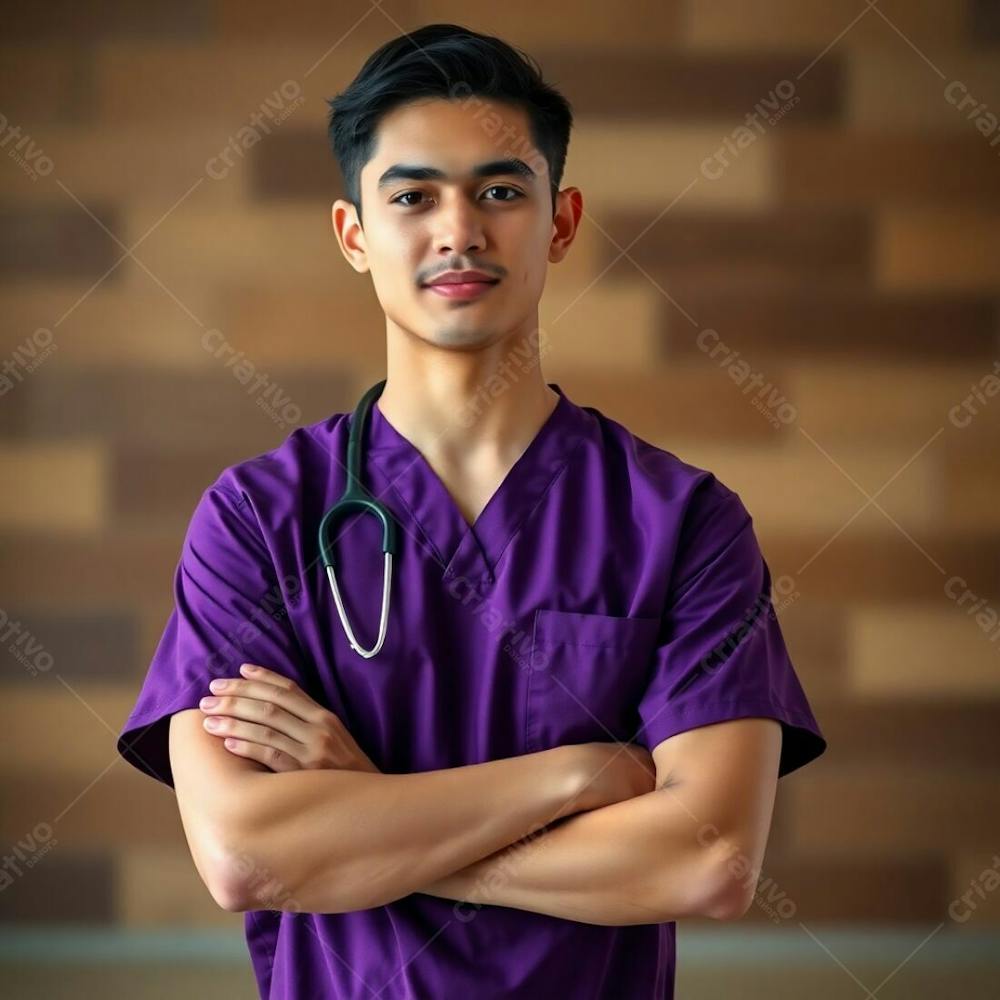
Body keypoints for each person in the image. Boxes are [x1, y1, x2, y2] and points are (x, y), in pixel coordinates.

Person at [117, 22, 827, 1000]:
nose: (459, 229)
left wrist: (367, 821)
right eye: (412, 196)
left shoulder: (684, 522)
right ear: (354, 235)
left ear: (560, 222)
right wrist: (574, 777)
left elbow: (707, 860)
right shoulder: (257, 518)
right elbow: (247, 855)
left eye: (500, 191)